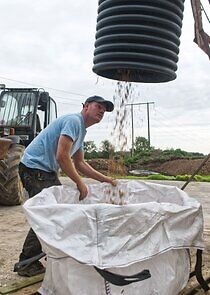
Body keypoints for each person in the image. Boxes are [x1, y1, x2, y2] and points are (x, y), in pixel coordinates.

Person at [16, 95, 116, 277]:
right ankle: (26, 262)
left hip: (45, 171)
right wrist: (79, 183)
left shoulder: (81, 130)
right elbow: (62, 156)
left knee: (59, 212)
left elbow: (80, 163)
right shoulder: (73, 121)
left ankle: (48, 254)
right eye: (98, 106)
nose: (102, 111)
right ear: (85, 106)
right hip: (34, 168)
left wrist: (106, 180)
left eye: (104, 109)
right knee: (48, 215)